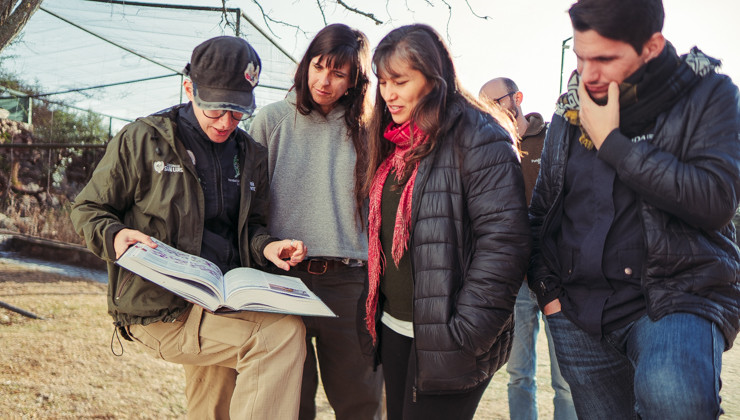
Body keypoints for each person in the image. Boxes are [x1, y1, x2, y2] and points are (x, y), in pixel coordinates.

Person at [70, 36, 308, 419]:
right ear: (189, 88)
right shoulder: (143, 140)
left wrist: (266, 246)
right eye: (216, 110)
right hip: (161, 307)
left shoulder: (251, 155)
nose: (227, 123)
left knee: (212, 405)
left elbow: (252, 226)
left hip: (223, 302)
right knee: (279, 338)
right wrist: (114, 236)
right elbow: (88, 209)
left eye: (238, 112)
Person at [528, 0, 740, 418]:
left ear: (652, 46)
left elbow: (716, 200)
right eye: (581, 56)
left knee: (675, 404)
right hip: (578, 312)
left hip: (676, 298)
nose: (588, 74)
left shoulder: (709, 94)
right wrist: (549, 295)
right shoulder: (570, 108)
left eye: (605, 58)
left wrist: (613, 144)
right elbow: (543, 211)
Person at [361, 24, 531, 420]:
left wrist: (464, 335)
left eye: (399, 81)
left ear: (434, 77)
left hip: (449, 340)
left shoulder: (480, 135)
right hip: (396, 327)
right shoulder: (391, 138)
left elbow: (505, 244)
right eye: (383, 81)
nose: (388, 93)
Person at [248, 24, 384, 420]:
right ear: (306, 64)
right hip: (282, 281)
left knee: (360, 403)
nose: (324, 81)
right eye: (318, 66)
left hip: (349, 284)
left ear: (355, 81)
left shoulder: (369, 130)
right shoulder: (270, 121)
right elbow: (250, 210)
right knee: (289, 404)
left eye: (338, 74)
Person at [479, 78, 577, 420]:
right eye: (484, 104)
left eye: (497, 101)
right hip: (516, 284)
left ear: (517, 98)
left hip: (557, 279)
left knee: (566, 380)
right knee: (519, 376)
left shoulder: (552, 138)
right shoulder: (488, 150)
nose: (490, 110)